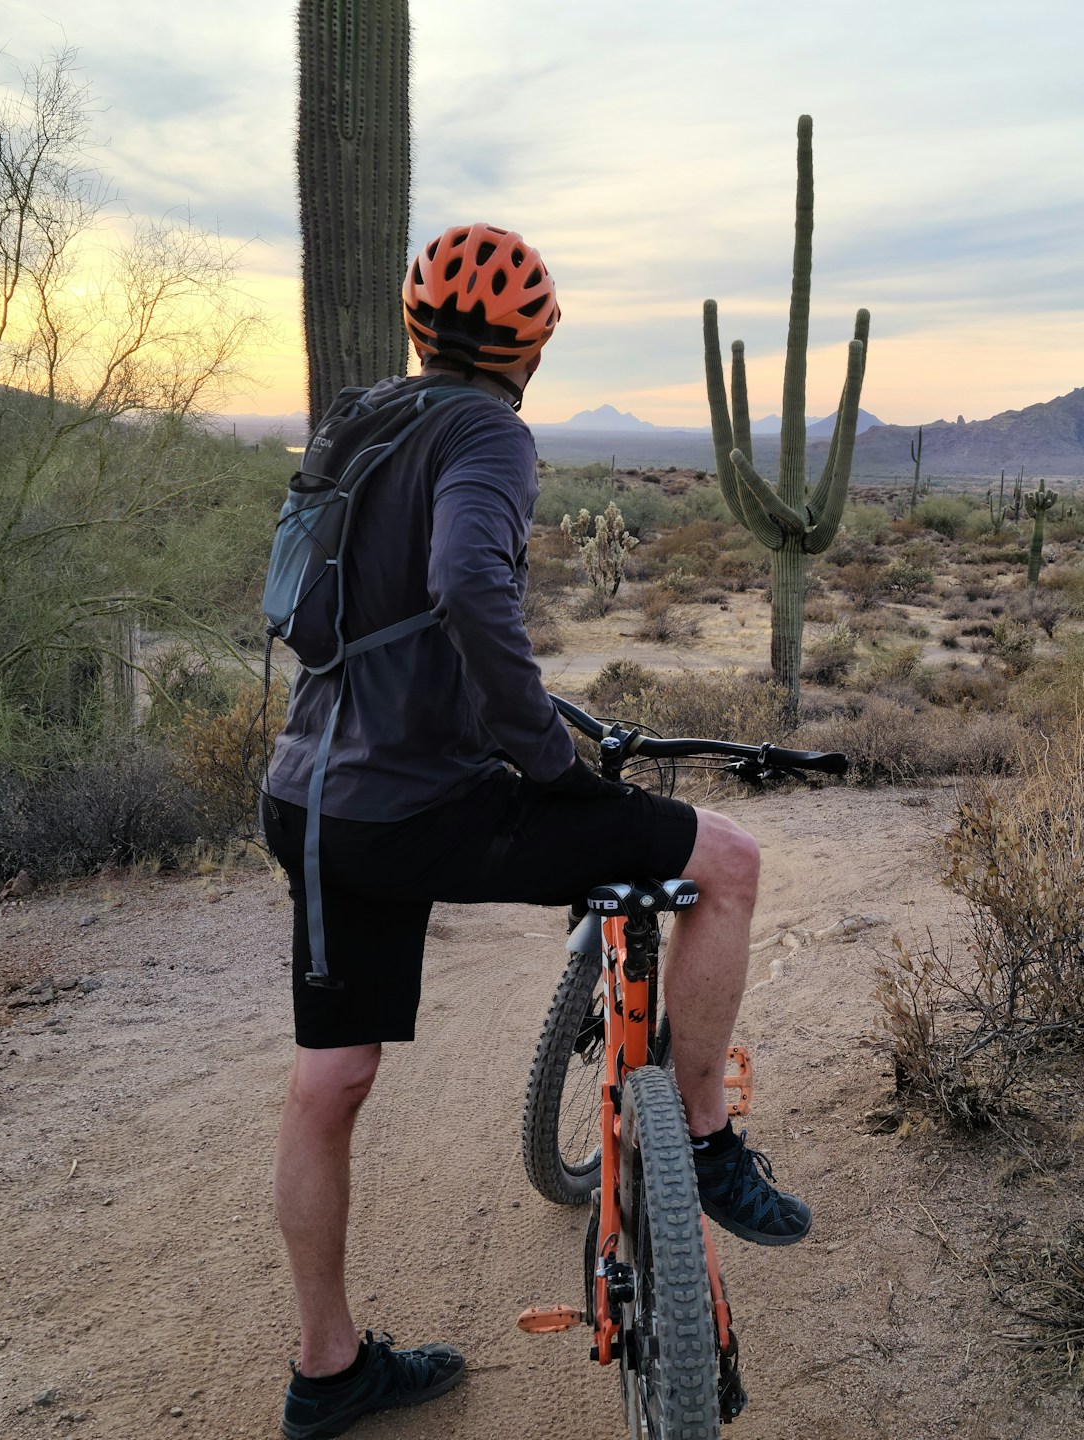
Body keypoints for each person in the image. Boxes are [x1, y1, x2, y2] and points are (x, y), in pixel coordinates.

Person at [261, 222, 809, 1440]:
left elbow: (369, 613)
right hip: (427, 806)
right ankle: (708, 1137)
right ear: (532, 348)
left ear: (418, 329)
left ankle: (328, 1369)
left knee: (330, 1080)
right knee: (728, 860)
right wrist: (544, 755)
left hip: (310, 802)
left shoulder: (359, 424)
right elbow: (464, 585)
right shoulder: (489, 432)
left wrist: (505, 711)